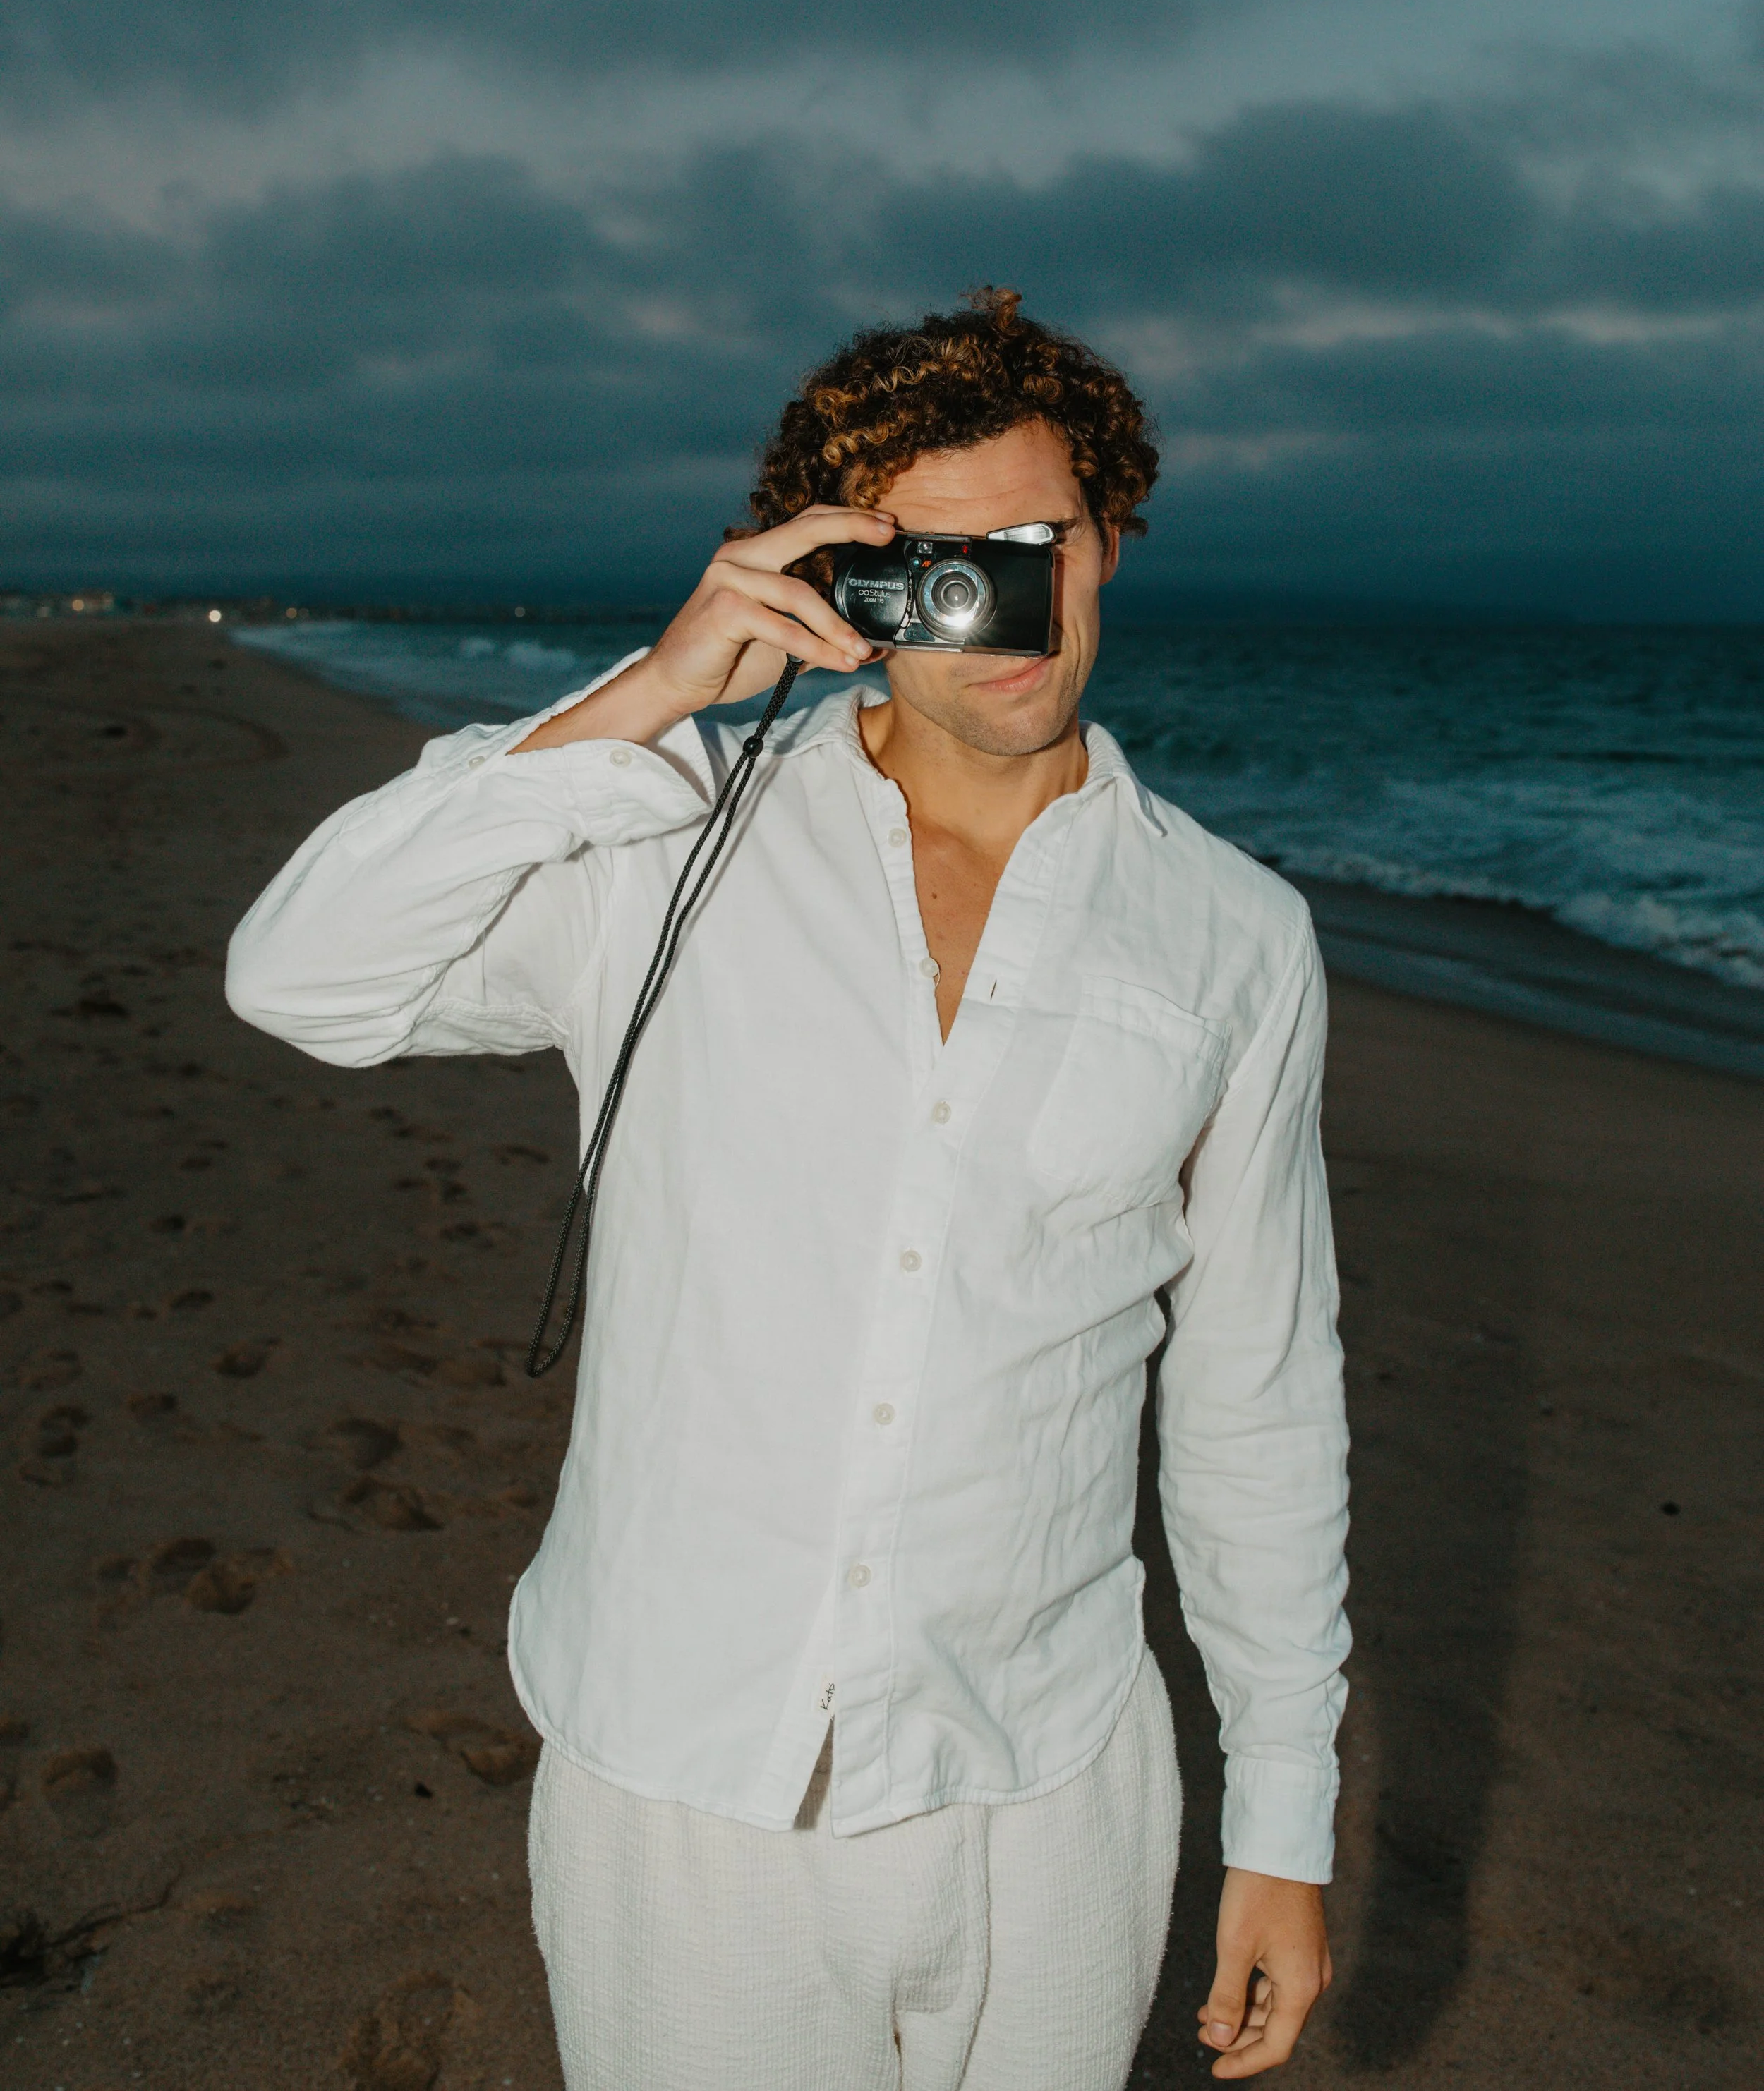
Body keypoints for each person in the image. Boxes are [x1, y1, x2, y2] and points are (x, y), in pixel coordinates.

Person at [226, 289, 1350, 2091]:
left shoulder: (1233, 937)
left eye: (1035, 542)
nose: (996, 602)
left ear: (1108, 542)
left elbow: (1257, 1398)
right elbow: (300, 976)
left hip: (1045, 1789)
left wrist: (1279, 1819)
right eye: (931, 557)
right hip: (680, 1782)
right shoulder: (660, 835)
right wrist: (656, 695)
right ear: (840, 579)